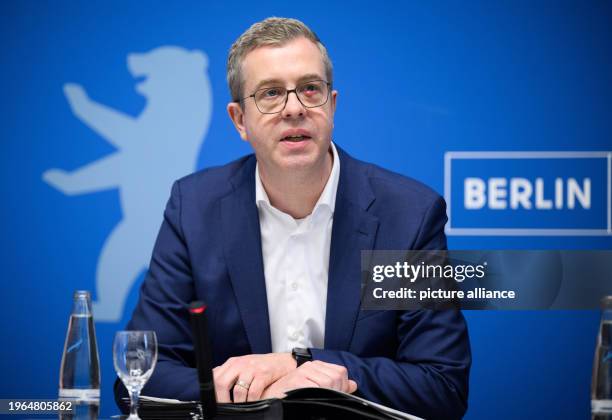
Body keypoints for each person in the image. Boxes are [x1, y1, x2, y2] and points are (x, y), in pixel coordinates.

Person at [115, 17, 471, 419]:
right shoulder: (195, 208)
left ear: (332, 106)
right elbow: (139, 376)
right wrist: (244, 390)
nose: (294, 109)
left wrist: (302, 364)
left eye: (310, 89)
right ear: (239, 120)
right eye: (270, 93)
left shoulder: (408, 215)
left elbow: (442, 386)